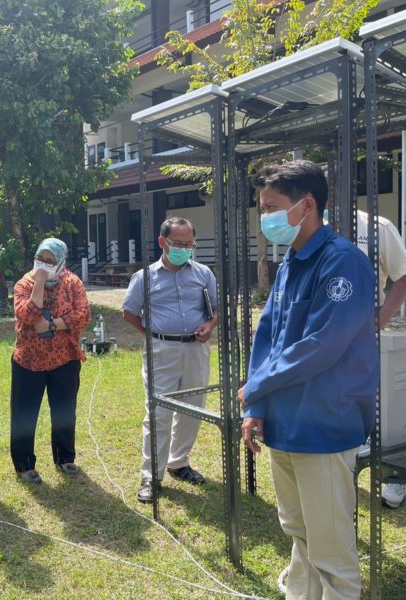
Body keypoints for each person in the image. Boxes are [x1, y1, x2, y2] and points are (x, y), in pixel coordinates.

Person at [241, 160, 378, 600]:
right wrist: (256, 406)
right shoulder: (290, 263)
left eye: (272, 207)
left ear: (307, 205)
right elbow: (268, 335)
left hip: (324, 424)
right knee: (299, 531)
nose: (265, 217)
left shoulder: (343, 262)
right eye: (262, 208)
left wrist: (257, 386)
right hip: (284, 423)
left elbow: (322, 345)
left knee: (331, 549)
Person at [122, 216, 218, 503]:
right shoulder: (145, 277)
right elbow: (129, 312)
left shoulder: (203, 274)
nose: (184, 249)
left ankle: (178, 462)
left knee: (192, 408)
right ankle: (152, 476)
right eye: (178, 244)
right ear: (162, 242)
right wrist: (153, 335)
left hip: (195, 349)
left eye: (189, 244)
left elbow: (215, 310)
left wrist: (209, 326)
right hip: (161, 350)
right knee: (158, 412)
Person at [325, 208, 406, 508]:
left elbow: (402, 277)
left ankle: (394, 476)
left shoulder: (377, 227)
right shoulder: (308, 224)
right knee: (334, 403)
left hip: (361, 334)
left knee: (382, 405)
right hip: (322, 334)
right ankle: (338, 470)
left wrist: (380, 319)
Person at [10, 238, 91, 483]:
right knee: (24, 414)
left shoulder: (72, 282)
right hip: (29, 360)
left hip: (65, 358)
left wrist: (53, 325)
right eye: (40, 258)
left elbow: (83, 314)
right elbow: (26, 315)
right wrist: (39, 283)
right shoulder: (24, 284)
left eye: (50, 260)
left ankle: (65, 457)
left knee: (64, 411)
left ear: (62, 262)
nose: (44, 264)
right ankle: (24, 464)